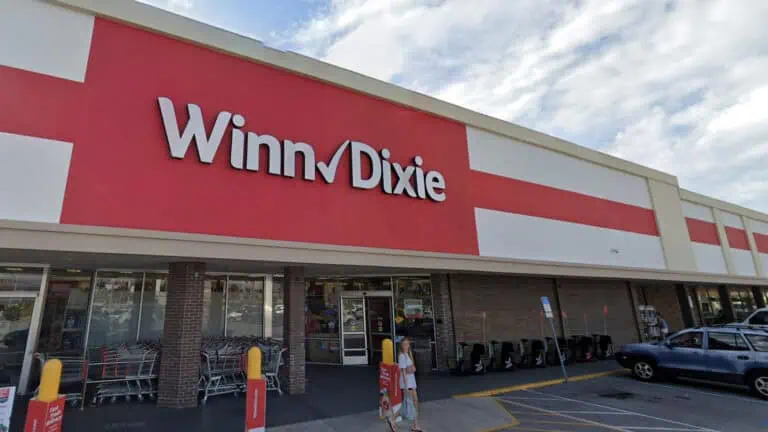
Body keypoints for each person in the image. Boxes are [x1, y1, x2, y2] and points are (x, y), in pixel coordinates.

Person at [399, 338, 424, 432]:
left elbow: (411, 368)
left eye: (407, 344)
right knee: (412, 403)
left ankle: (415, 425)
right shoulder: (402, 356)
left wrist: (412, 368)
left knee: (413, 403)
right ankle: (415, 425)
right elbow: (403, 372)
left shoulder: (408, 355)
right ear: (401, 346)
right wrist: (406, 387)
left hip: (412, 382)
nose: (406, 346)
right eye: (404, 344)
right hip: (408, 384)